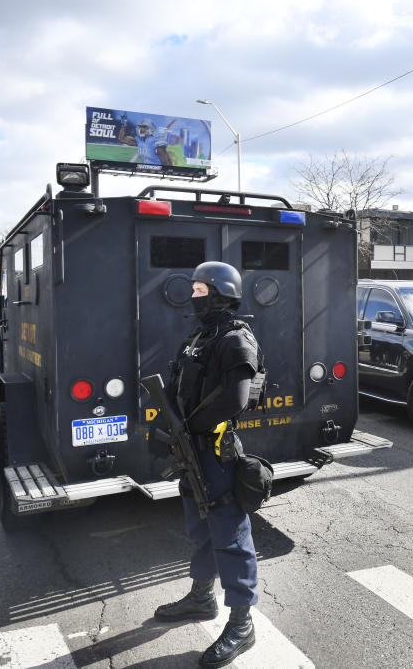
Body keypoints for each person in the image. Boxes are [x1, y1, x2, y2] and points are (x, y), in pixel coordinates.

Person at [153, 261, 260, 668]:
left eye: (200, 290)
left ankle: (242, 623)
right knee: (199, 526)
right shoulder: (201, 335)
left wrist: (190, 428)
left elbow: (235, 399)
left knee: (229, 532)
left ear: (219, 293)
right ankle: (201, 598)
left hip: (215, 448)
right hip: (191, 448)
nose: (193, 296)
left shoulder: (235, 337)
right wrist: (172, 431)